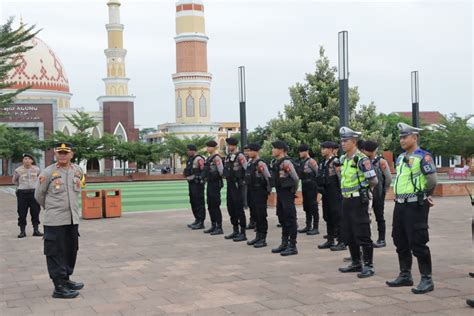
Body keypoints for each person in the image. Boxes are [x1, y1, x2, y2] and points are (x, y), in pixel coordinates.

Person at [386, 123, 438, 294]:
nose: (402, 140)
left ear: (414, 138)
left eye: (405, 137)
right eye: (400, 137)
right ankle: (405, 274)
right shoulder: (400, 157)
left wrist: (425, 194)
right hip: (400, 205)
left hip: (416, 205)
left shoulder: (424, 156)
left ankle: (426, 279)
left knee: (418, 241)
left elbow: (432, 180)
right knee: (399, 239)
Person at [35, 142, 84, 299]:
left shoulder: (78, 170)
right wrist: (51, 208)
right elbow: (39, 195)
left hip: (72, 219)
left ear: (71, 154)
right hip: (54, 220)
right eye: (60, 152)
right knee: (55, 252)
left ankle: (66, 279)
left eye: (66, 152)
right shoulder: (48, 172)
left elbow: (78, 191)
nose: (63, 155)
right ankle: (58, 287)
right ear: (55, 154)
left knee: (71, 250)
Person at [337, 127, 378, 278]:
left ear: (354, 141)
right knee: (348, 232)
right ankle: (356, 262)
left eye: (345, 140)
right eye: (341, 140)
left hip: (359, 200)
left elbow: (374, 180)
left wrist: (364, 191)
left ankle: (368, 265)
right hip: (346, 199)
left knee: (362, 232)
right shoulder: (343, 159)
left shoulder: (362, 159)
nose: (342, 143)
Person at [360, 140, 392, 248]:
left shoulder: (379, 162)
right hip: (374, 194)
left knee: (376, 217)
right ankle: (377, 239)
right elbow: (388, 178)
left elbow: (388, 178)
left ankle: (381, 239)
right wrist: (385, 190)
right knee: (376, 217)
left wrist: (384, 191)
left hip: (373, 194)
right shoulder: (376, 161)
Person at [270, 140, 300, 256]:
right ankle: (284, 243)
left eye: (274, 148)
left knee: (290, 218)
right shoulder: (276, 162)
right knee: (282, 217)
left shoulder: (286, 163)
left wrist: (293, 190)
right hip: (280, 193)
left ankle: (292, 245)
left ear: (281, 150)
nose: (272, 150)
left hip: (287, 193)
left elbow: (296, 178)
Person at [317, 141, 345, 251]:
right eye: (322, 148)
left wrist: (342, 192)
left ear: (330, 149)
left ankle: (341, 241)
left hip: (335, 192)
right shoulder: (323, 162)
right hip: (326, 192)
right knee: (327, 215)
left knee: (337, 216)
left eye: (324, 148)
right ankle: (330, 239)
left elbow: (340, 177)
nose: (322, 150)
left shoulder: (336, 161)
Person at [244, 143, 272, 248]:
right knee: (255, 214)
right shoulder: (250, 163)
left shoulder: (261, 163)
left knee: (261, 215)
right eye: (248, 151)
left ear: (256, 151)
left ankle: (263, 238)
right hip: (251, 190)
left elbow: (268, 178)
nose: (249, 152)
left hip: (260, 191)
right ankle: (258, 236)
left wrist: (267, 191)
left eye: (251, 151)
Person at [223, 137, 248, 242]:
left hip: (238, 184)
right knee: (231, 207)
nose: (228, 147)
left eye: (229, 145)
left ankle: (242, 232)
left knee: (239, 208)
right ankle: (235, 230)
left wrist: (243, 182)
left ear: (234, 145)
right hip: (230, 184)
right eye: (227, 145)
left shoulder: (240, 156)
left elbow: (246, 169)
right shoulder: (228, 156)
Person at [12, 153, 42, 238]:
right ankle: (22, 231)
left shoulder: (37, 169)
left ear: (32, 160)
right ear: (23, 160)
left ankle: (36, 230)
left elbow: (40, 180)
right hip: (22, 194)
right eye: (25, 159)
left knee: (35, 211)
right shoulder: (18, 170)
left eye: (29, 159)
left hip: (34, 193)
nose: (27, 160)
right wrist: (22, 186)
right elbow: (14, 181)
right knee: (22, 212)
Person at [296, 144, 320, 235]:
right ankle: (308, 225)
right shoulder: (302, 162)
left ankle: (315, 227)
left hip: (312, 185)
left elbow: (317, 173)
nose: (300, 153)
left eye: (302, 151)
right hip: (305, 185)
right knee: (306, 206)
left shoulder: (311, 161)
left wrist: (318, 186)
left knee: (313, 206)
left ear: (306, 151)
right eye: (299, 151)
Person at [203, 140, 224, 235]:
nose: (208, 148)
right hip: (210, 183)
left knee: (215, 205)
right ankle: (213, 225)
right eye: (207, 147)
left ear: (214, 148)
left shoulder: (216, 158)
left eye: (209, 147)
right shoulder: (209, 158)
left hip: (215, 183)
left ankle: (219, 227)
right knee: (210, 204)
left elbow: (221, 171)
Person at [183, 144, 206, 230]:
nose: (188, 151)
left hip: (197, 184)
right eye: (187, 150)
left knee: (199, 202)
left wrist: (200, 178)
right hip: (191, 183)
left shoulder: (199, 159)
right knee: (193, 201)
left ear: (193, 150)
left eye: (189, 150)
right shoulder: (189, 160)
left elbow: (203, 170)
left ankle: (201, 222)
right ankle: (197, 219)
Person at [243, 145, 256, 230]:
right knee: (251, 204)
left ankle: (257, 223)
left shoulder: (256, 161)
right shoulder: (249, 161)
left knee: (256, 206)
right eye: (245, 151)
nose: (246, 153)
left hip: (255, 186)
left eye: (248, 151)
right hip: (248, 184)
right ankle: (252, 221)